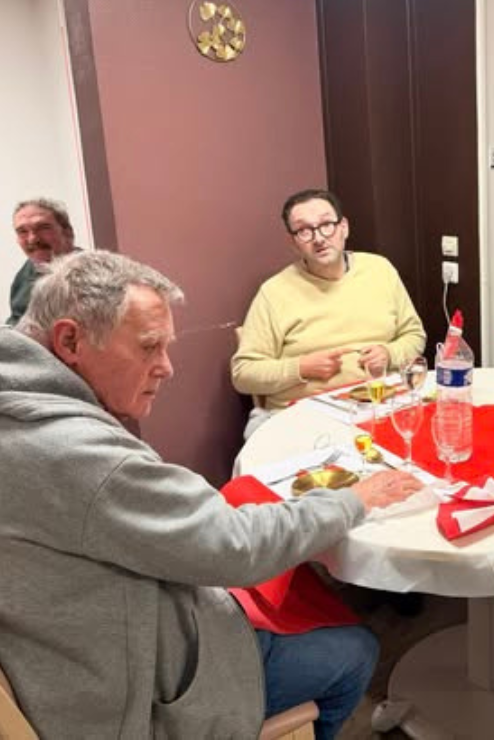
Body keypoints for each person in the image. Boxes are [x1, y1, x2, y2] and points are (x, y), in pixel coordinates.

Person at [0, 250, 424, 739]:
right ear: (70, 340)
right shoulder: (76, 455)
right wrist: (356, 500)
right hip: (131, 694)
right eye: (149, 347)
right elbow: (235, 547)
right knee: (355, 650)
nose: (166, 367)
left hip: (74, 653)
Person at [232, 188, 426, 435]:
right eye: (304, 230)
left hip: (381, 403)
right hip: (303, 415)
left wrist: (389, 354)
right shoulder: (274, 292)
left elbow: (414, 335)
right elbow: (243, 374)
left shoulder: (380, 269)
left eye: (326, 225)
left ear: (344, 227)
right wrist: (301, 368)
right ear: (293, 242)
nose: (319, 238)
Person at [7, 197, 77, 325]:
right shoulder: (26, 272)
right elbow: (17, 319)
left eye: (43, 228)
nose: (32, 239)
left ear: (67, 232)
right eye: (22, 231)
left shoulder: (93, 273)